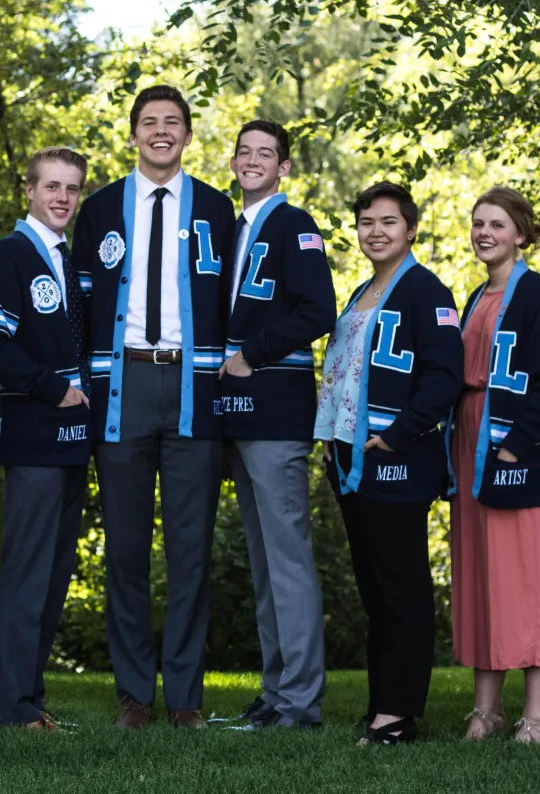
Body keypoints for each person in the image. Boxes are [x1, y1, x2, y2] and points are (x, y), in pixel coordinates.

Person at [70, 84, 236, 729]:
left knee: (190, 549)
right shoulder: (102, 208)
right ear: (133, 134)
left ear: (188, 136)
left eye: (173, 123)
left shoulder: (218, 210)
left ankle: (187, 697)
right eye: (149, 122)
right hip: (123, 387)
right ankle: (135, 693)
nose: (161, 131)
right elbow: (79, 304)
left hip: (195, 387)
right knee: (127, 548)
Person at [315, 182, 462, 744]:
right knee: (374, 587)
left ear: (411, 229)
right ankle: (381, 703)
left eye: (388, 222)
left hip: (395, 459)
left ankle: (399, 715)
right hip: (349, 459)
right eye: (367, 222)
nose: (376, 232)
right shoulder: (359, 293)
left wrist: (397, 436)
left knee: (402, 586)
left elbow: (444, 377)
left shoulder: (428, 292)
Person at [0, 147, 92, 731]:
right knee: (25, 574)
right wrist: (52, 388)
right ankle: (12, 708)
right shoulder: (11, 256)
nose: (62, 197)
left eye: (71, 188)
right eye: (52, 187)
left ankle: (31, 702)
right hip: (37, 436)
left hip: (74, 442)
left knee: (55, 573)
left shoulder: (69, 259)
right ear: (29, 191)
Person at [219, 120, 336, 730]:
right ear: (233, 161)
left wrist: (252, 354)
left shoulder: (296, 225)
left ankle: (300, 701)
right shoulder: (230, 228)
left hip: (277, 407)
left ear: (283, 167)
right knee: (264, 558)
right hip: (234, 410)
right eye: (245, 151)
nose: (253, 160)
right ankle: (275, 690)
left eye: (266, 153)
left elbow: (320, 309)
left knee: (287, 556)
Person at [448, 187, 540, 743]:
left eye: (496, 224)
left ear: (520, 233)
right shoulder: (476, 296)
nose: (484, 233)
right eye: (478, 223)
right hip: (471, 444)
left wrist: (515, 446)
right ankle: (487, 710)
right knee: (482, 576)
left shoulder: (537, 296)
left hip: (516, 449)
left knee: (527, 578)